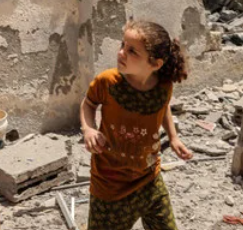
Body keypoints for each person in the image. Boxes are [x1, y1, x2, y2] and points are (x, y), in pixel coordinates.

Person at [80, 20, 192, 230]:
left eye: (132, 51)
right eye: (123, 45)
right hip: (110, 185)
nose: (121, 53)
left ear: (155, 64)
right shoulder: (108, 82)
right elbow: (88, 104)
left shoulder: (163, 86)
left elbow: (163, 106)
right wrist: (88, 129)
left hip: (149, 180)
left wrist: (174, 137)